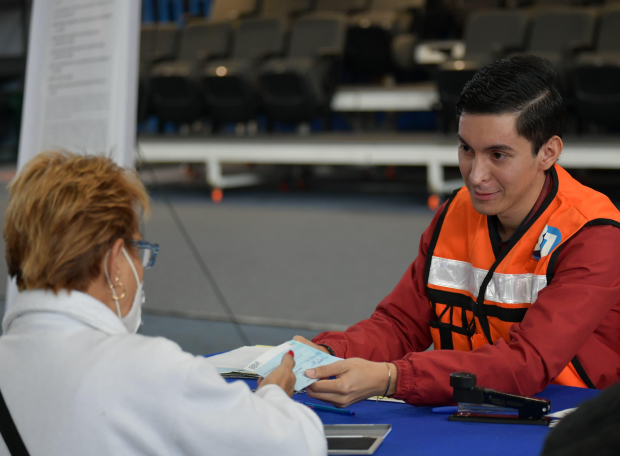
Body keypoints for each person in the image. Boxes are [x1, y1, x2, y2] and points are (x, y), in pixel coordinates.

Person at [294, 55, 620, 407]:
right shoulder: (456, 210)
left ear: (548, 153)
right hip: (469, 406)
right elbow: (401, 323)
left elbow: (527, 363)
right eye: (466, 148)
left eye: (498, 155)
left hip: (570, 417)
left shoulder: (594, 235)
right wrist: (327, 352)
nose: (476, 175)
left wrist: (392, 378)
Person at [0, 151, 326, 456]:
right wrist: (275, 393)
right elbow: (297, 444)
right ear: (115, 261)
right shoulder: (149, 370)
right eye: (137, 249)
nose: (140, 268)